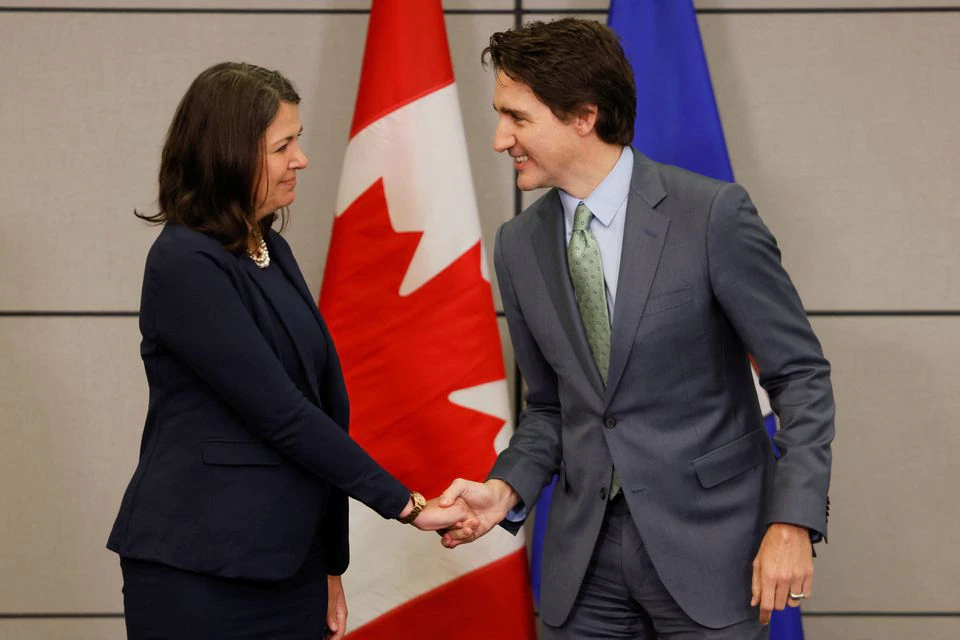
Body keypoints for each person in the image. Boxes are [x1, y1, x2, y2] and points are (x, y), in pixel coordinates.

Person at [439, 18, 834, 639]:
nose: (499, 139)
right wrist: (506, 490)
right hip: (583, 564)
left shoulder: (712, 215)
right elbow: (549, 409)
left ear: (582, 116)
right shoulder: (517, 245)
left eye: (517, 117)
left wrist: (794, 520)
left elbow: (800, 377)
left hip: (713, 551)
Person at [106, 62, 474, 640]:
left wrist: (330, 563)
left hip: (289, 568)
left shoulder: (267, 247)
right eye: (284, 146)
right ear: (229, 154)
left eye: (296, 141)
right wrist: (407, 503)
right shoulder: (184, 263)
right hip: (202, 570)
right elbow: (280, 412)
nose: (300, 158)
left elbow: (323, 405)